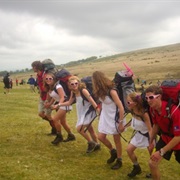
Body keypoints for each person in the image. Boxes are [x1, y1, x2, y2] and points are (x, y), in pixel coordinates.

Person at [145, 85, 180, 180]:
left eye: (151, 97)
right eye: (146, 98)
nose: (148, 100)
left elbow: (178, 136)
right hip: (165, 138)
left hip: (178, 140)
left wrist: (161, 151)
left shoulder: (174, 111)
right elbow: (156, 125)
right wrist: (151, 141)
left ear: (159, 96)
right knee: (152, 163)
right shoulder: (152, 110)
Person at [92, 71, 125, 170]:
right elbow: (103, 103)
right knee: (101, 137)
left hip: (115, 117)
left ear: (97, 81)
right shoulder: (100, 91)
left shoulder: (112, 91)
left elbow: (121, 107)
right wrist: (100, 111)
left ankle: (119, 160)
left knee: (116, 139)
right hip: (105, 116)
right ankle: (113, 151)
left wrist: (121, 122)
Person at [59, 76, 100, 153]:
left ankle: (91, 143)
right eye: (72, 84)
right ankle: (97, 144)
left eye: (76, 83)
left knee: (79, 129)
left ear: (79, 83)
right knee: (90, 129)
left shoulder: (83, 90)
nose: (74, 85)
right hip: (81, 112)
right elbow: (69, 102)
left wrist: (97, 110)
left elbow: (92, 101)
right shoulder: (73, 92)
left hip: (88, 111)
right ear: (69, 85)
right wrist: (58, 105)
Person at [123, 92, 153, 178]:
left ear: (135, 103)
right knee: (129, 150)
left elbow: (150, 129)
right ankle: (136, 167)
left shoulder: (144, 114)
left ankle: (153, 172)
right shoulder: (132, 110)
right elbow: (133, 120)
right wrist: (124, 127)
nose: (127, 103)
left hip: (148, 136)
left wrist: (151, 142)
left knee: (152, 155)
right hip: (139, 134)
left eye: (128, 102)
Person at [43, 73, 75, 145]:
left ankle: (59, 136)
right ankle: (71, 135)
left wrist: (58, 105)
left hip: (64, 104)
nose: (48, 80)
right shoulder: (50, 87)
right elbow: (54, 97)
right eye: (46, 79)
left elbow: (62, 97)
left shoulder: (58, 86)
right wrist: (49, 103)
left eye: (50, 78)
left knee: (55, 119)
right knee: (63, 122)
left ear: (54, 79)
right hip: (60, 104)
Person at [31, 61, 56, 135]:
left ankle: (55, 130)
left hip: (48, 97)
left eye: (33, 67)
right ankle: (54, 123)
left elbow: (48, 87)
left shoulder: (45, 75)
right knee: (41, 113)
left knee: (48, 115)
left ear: (37, 67)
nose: (32, 68)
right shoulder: (38, 75)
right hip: (42, 97)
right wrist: (41, 93)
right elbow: (39, 85)